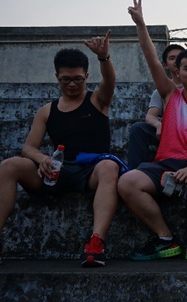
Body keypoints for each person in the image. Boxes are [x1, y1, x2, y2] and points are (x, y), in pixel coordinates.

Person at [119, 0, 187, 262]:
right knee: (128, 182)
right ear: (177, 71)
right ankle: (165, 238)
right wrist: (141, 25)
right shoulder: (169, 94)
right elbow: (151, 58)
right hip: (164, 163)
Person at [0, 32, 119, 267]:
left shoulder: (97, 100)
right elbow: (28, 147)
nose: (72, 84)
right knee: (9, 165)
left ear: (87, 76)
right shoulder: (47, 110)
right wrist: (42, 158)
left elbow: (109, 81)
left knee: (109, 166)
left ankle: (96, 243)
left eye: (78, 79)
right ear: (57, 77)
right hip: (56, 172)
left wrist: (104, 57)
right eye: (66, 80)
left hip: (90, 170)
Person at [127, 44, 184, 169]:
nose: (176, 61)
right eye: (172, 58)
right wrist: (158, 125)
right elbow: (150, 116)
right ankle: (135, 171)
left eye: (180, 57)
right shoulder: (161, 90)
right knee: (138, 129)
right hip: (167, 131)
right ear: (165, 65)